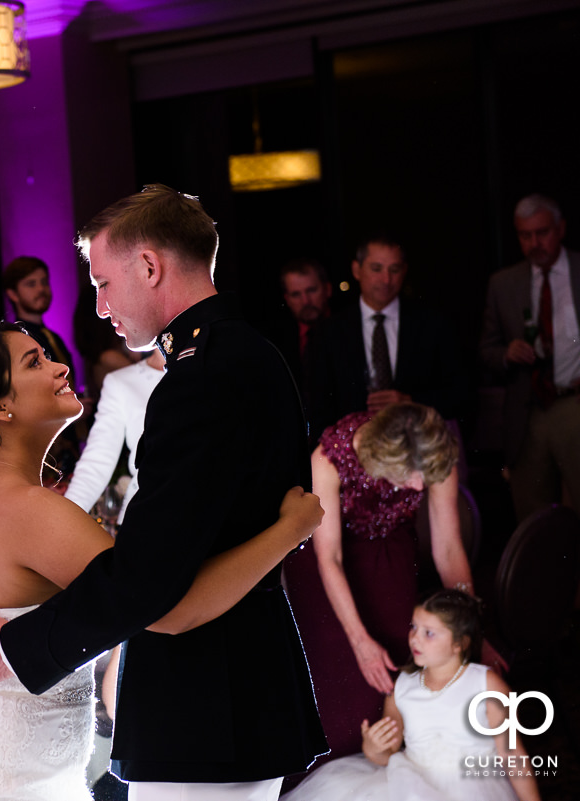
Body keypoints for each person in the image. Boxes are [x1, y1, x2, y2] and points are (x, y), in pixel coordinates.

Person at [0, 317, 327, 800]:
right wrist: (287, 532)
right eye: (35, 362)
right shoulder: (29, 508)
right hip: (13, 775)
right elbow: (166, 608)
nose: (62, 366)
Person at [283, 402, 478, 758]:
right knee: (336, 689)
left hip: (389, 552)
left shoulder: (433, 453)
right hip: (326, 560)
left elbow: (448, 551)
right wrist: (360, 643)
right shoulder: (330, 456)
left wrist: (468, 633)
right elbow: (331, 559)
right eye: (411, 476)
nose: (420, 485)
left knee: (394, 668)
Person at [282, 589, 539, 801]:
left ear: (459, 643)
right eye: (414, 627)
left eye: (429, 633)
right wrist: (372, 749)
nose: (415, 639)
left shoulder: (486, 684)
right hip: (410, 783)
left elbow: (512, 753)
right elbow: (388, 755)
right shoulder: (403, 687)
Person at [479, 193, 580, 521]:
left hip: (574, 402)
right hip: (527, 409)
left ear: (561, 229)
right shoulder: (504, 283)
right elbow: (487, 349)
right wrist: (506, 354)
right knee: (533, 517)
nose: (535, 242)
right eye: (525, 235)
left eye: (543, 232)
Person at [310, 237, 465, 440]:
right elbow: (318, 404)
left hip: (417, 447)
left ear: (405, 271)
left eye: (394, 269)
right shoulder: (328, 332)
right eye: (376, 268)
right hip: (351, 451)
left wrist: (410, 401)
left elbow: (460, 393)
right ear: (357, 270)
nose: (386, 280)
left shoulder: (432, 325)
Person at [63, 348, 164, 523]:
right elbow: (97, 460)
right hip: (145, 517)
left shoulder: (216, 367)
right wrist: (63, 522)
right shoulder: (121, 382)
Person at [264, 259, 331, 423]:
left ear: (327, 289)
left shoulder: (349, 330)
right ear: (287, 298)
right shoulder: (276, 340)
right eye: (296, 294)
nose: (306, 301)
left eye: (311, 290)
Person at [4, 255, 76, 372]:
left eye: (44, 282)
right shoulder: (16, 342)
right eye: (31, 284)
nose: (41, 289)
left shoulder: (54, 338)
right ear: (13, 294)